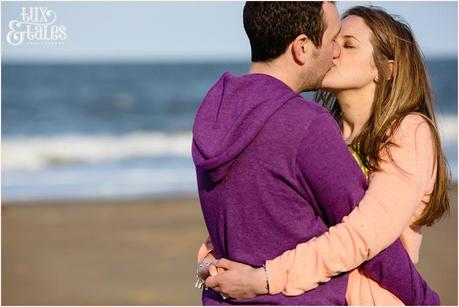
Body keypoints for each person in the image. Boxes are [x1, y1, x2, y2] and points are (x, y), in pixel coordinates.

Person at [197, 5, 450, 305]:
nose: (333, 50)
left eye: (348, 44)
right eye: (334, 40)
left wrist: (264, 278)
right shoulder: (322, 130)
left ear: (386, 69)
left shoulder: (409, 131)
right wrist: (211, 260)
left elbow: (363, 235)